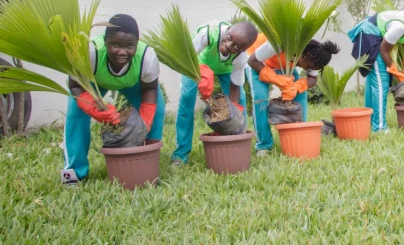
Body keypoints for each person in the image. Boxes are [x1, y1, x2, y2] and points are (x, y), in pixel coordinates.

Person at [61, 14, 165, 185]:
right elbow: (75, 85)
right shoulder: (90, 52)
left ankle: (146, 163)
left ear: (137, 43)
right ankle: (73, 173)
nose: (122, 52)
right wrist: (93, 108)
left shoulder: (147, 57)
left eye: (130, 46)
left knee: (158, 110)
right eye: (115, 45)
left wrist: (145, 121)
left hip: (133, 83)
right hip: (93, 83)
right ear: (105, 41)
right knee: (75, 114)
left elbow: (150, 89)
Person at [172, 21, 258, 165]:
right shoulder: (208, 34)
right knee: (186, 100)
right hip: (195, 65)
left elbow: (235, 85)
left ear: (243, 50)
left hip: (224, 70)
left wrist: (234, 110)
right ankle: (181, 154)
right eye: (229, 38)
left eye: (236, 47)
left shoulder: (240, 58)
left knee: (240, 102)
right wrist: (202, 75)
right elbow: (186, 58)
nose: (228, 45)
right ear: (228, 29)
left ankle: (238, 142)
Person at [246, 34, 340, 155]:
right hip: (258, 62)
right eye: (308, 66)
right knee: (260, 99)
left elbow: (312, 79)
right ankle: (264, 145)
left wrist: (296, 87)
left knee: (301, 94)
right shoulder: (281, 42)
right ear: (306, 55)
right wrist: (276, 79)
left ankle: (299, 135)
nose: (306, 69)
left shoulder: (316, 56)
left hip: (284, 66)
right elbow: (252, 61)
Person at [348, 9, 404, 132]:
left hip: (378, 38)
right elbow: (383, 50)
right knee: (381, 82)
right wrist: (394, 70)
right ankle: (379, 127)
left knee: (373, 82)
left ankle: (367, 120)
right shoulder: (399, 26)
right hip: (370, 36)